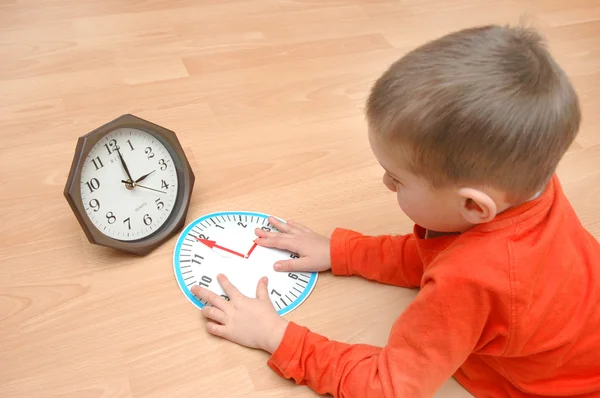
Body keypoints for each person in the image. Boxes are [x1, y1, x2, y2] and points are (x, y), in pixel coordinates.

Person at [191, 24, 600, 397]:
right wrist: (341, 252)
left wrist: (276, 335)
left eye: (398, 179)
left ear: (475, 205)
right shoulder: (529, 187)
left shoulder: (471, 280)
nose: (386, 184)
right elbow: (438, 253)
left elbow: (389, 388)